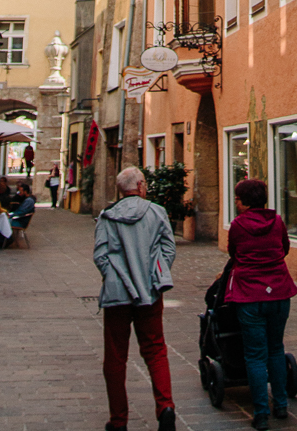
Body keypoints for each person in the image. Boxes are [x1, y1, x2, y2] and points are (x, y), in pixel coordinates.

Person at [94, 166, 176, 431]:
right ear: (140, 185)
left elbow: (100, 255)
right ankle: (165, 406)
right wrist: (157, 272)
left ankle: (118, 421)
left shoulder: (107, 216)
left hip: (117, 296)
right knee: (155, 350)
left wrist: (116, 275)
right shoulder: (156, 212)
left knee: (115, 357)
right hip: (149, 292)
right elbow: (168, 247)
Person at [225, 177, 297, 430]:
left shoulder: (237, 225)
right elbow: (285, 247)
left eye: (237, 198)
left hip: (249, 295)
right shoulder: (277, 221)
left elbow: (233, 253)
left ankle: (261, 413)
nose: (235, 202)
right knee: (276, 348)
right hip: (279, 291)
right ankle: (280, 405)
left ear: (245, 201)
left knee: (255, 355)